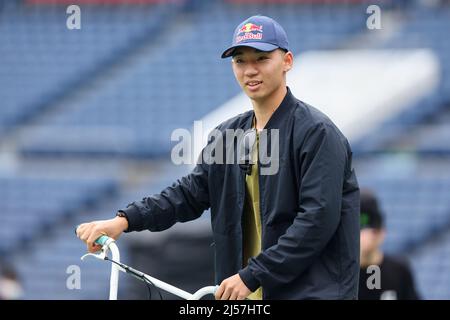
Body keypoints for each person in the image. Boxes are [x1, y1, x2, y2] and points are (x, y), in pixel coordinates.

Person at [77, 15, 360, 300]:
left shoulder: (317, 133)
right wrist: (124, 221)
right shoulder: (227, 136)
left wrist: (252, 275)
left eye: (261, 59)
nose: (250, 70)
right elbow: (188, 194)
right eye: (240, 61)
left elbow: (316, 221)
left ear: (287, 61)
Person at [358, 188, 420, 300]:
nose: (365, 237)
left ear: (382, 233)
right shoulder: (341, 276)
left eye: (373, 231)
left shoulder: (399, 271)